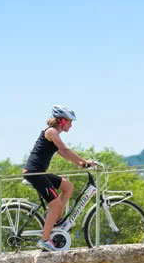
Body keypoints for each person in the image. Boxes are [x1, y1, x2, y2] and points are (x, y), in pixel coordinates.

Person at [22, 105, 95, 252]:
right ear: (61, 121)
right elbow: (64, 149)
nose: (71, 125)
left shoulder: (54, 134)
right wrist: (84, 162)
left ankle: (57, 222)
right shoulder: (51, 132)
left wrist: (79, 163)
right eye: (70, 121)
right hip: (34, 173)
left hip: (39, 172)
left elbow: (62, 153)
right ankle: (44, 240)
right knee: (56, 205)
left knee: (67, 186)